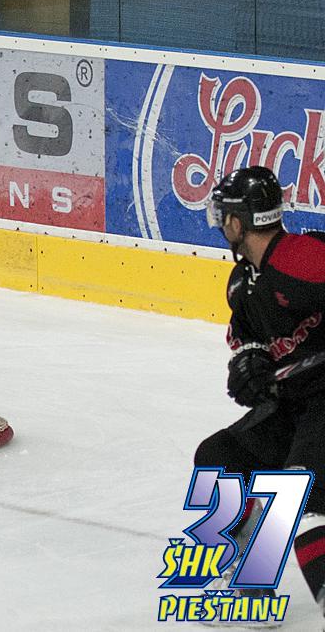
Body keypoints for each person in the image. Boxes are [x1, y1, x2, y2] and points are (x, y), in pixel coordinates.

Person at [195, 166, 325, 615]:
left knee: (300, 494)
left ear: (238, 220)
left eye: (224, 214)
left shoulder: (302, 258)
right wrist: (249, 362)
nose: (220, 223)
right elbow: (247, 336)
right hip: (295, 403)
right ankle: (251, 590)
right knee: (221, 457)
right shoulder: (243, 282)